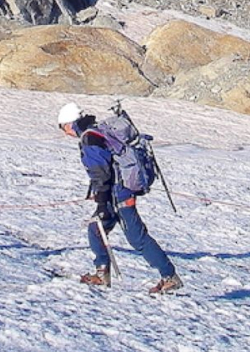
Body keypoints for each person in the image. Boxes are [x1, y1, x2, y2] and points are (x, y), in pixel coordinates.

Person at [59, 102, 182, 294]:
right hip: (117, 192)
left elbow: (101, 173)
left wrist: (101, 202)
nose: (64, 132)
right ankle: (102, 274)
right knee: (96, 228)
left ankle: (169, 276)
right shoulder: (95, 132)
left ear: (69, 124)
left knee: (136, 237)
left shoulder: (89, 139)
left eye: (62, 127)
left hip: (119, 194)